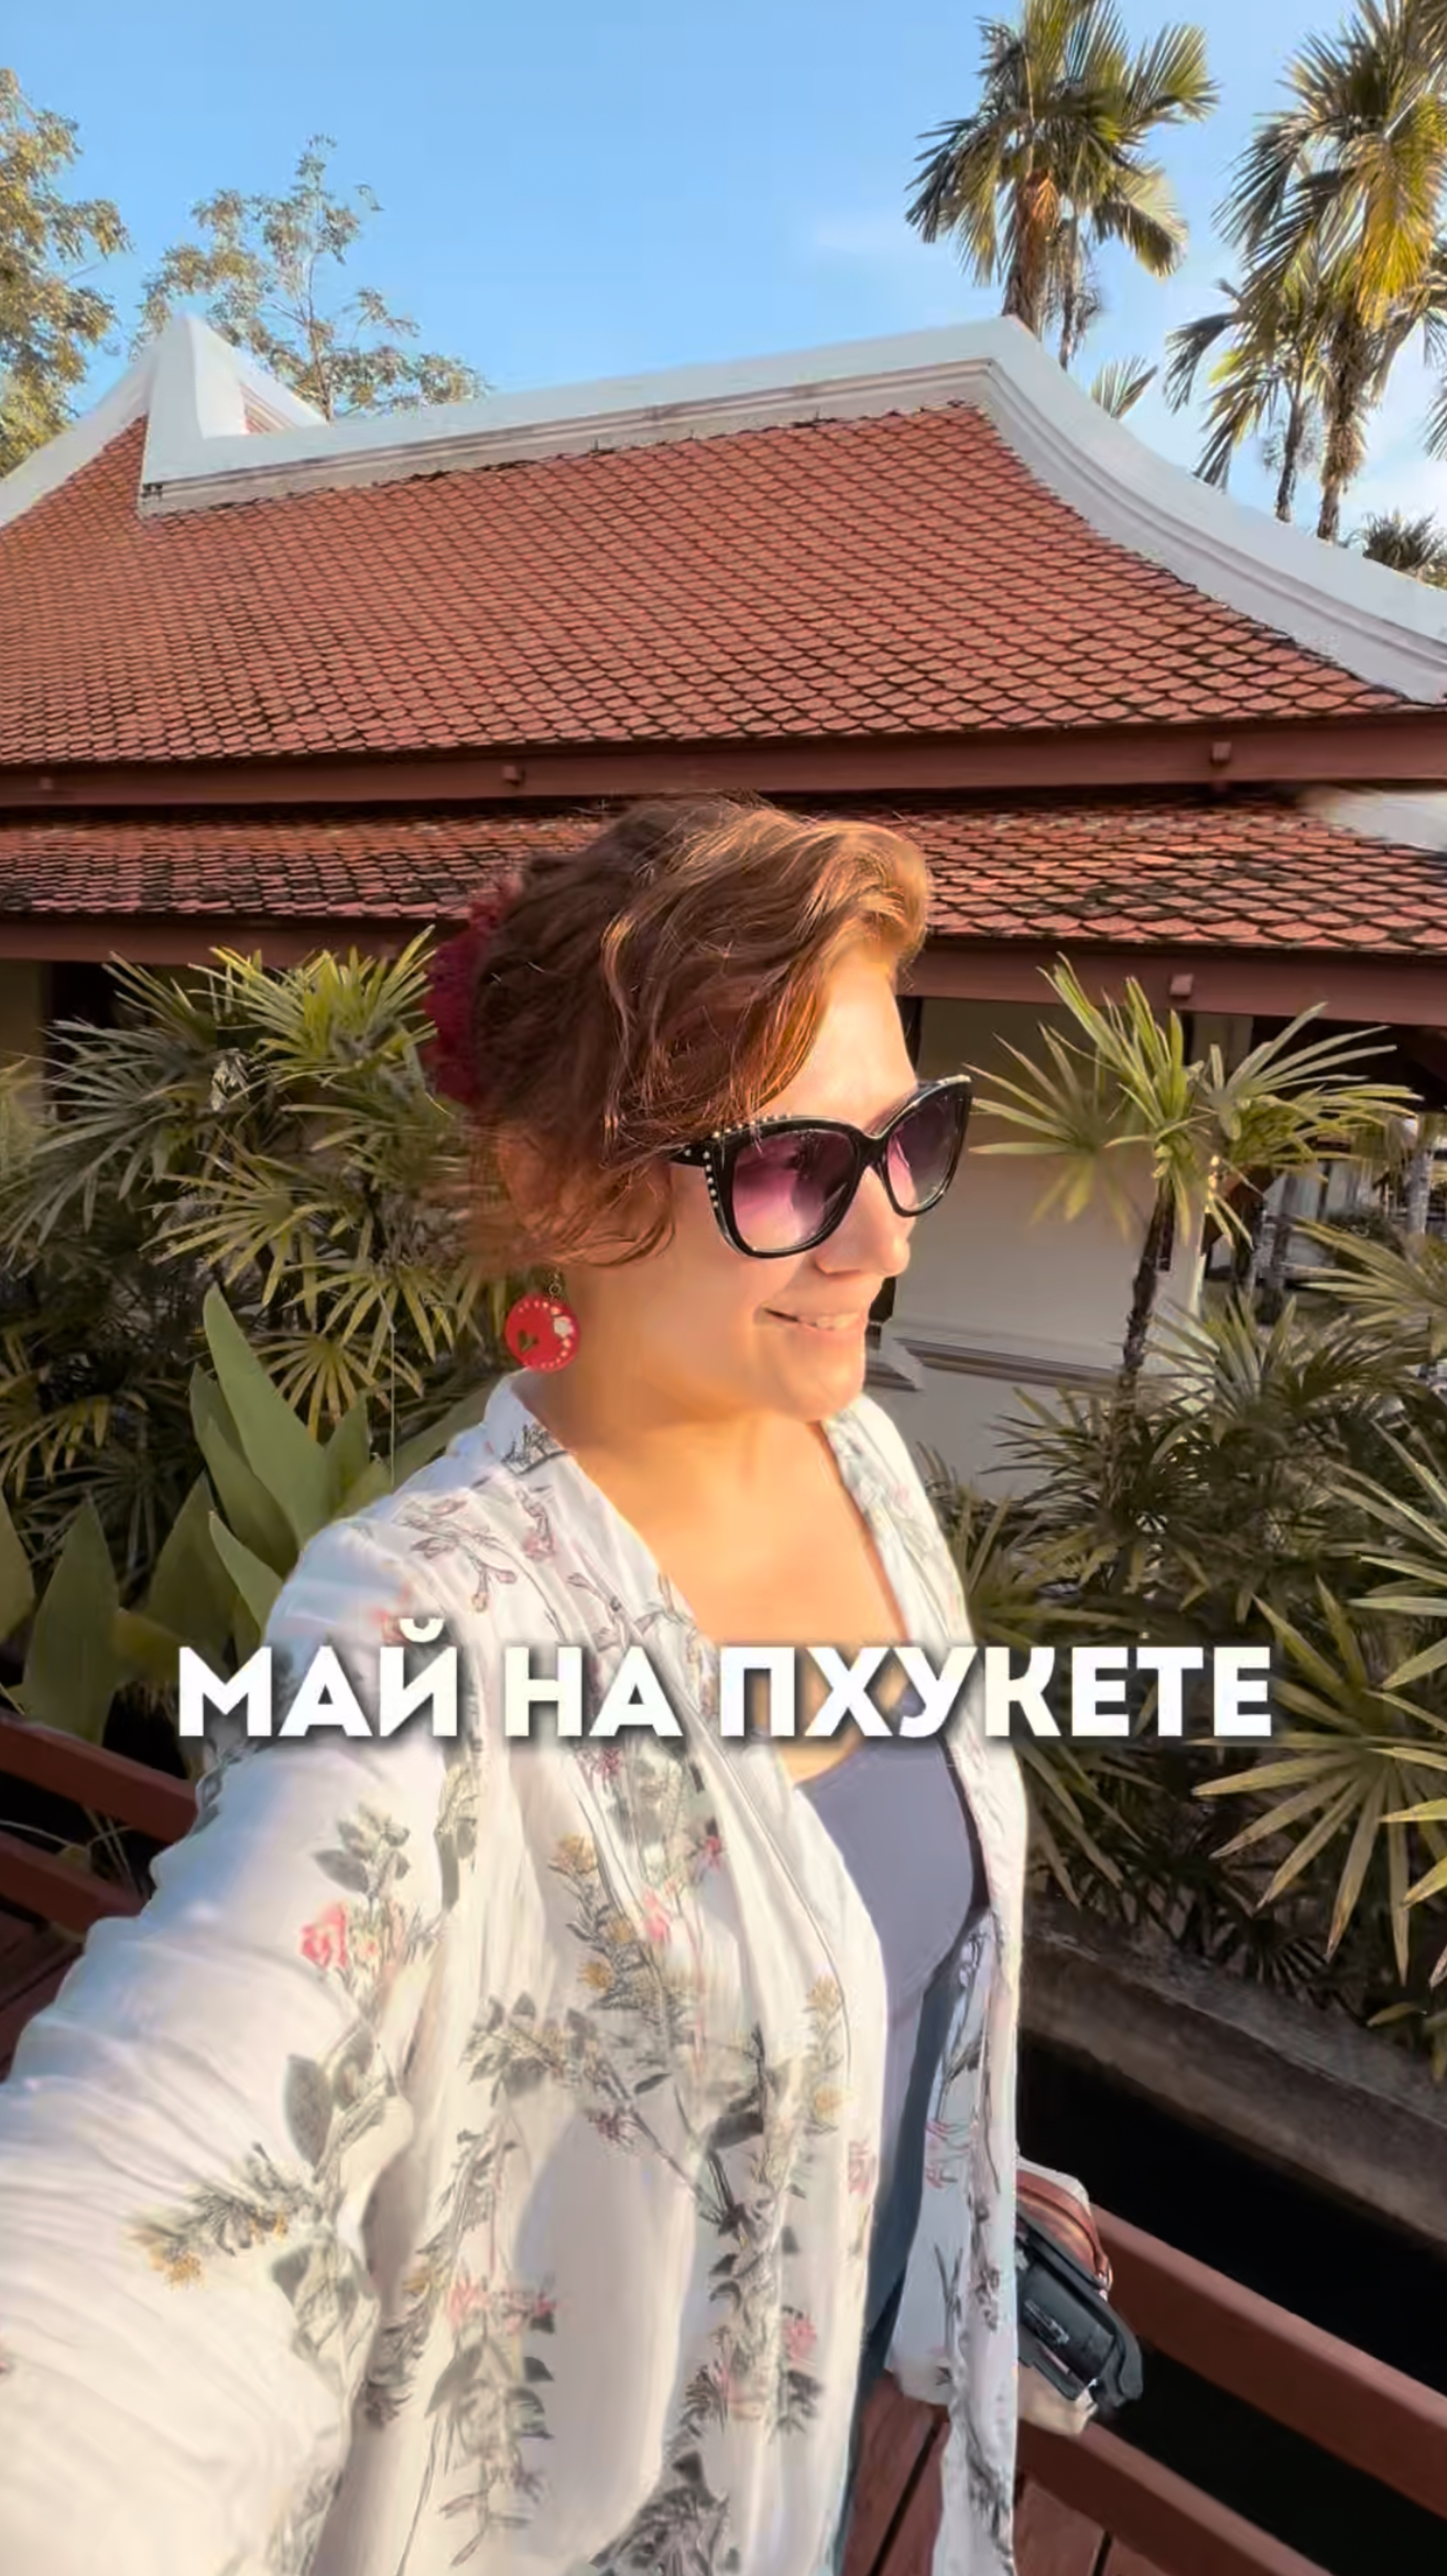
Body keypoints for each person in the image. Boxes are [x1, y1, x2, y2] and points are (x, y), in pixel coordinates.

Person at [0, 796, 1101, 2576]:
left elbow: (866, 1943)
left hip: (828, 2474)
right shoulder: (425, 1628)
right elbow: (174, 2150)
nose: (887, 1237)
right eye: (792, 1172)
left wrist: (953, 2153)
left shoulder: (867, 1472)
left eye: (914, 1140)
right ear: (553, 1188)